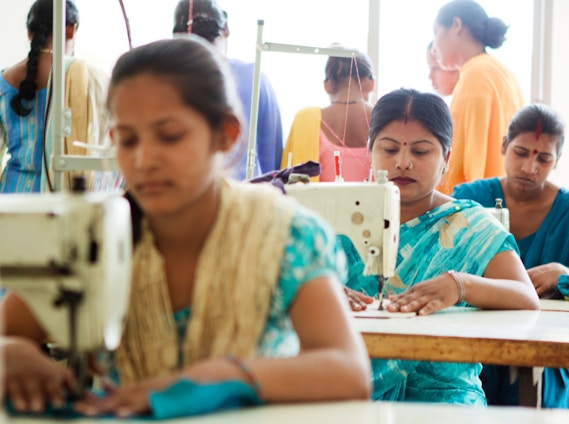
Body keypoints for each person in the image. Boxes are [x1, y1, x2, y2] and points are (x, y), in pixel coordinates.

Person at [1, 36, 371, 417]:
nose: (144, 160)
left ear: (225, 135)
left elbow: (349, 371)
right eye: (127, 140)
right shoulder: (91, 236)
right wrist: (12, 353)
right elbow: (7, 331)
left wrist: (225, 375)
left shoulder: (282, 235)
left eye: (170, 136)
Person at [343, 88, 539, 405]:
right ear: (370, 151)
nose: (403, 163)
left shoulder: (470, 225)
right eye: (389, 149)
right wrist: (319, 294)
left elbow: (526, 297)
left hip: (446, 398)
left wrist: (460, 285)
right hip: (348, 389)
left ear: (446, 158)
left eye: (420, 152)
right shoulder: (340, 219)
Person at [453, 103, 569, 409]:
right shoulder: (468, 199)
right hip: (475, 336)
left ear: (557, 160)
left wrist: (564, 274)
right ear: (504, 146)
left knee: (546, 380)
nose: (530, 167)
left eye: (544, 158)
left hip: (549, 346)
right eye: (521, 152)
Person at [0, 0, 109, 193]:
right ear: (71, 30)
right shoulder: (84, 77)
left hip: (10, 198)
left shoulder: (3, 80)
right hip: (56, 200)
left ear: (29, 33)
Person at [173, 0, 283, 180]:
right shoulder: (255, 77)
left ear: (176, 35)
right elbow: (273, 160)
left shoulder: (166, 82)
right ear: (226, 29)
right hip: (249, 197)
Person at [432, 0, 524, 195]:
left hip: (476, 206)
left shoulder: (475, 76)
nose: (434, 48)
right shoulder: (500, 71)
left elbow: (469, 159)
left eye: (436, 32)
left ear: (456, 26)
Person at [282, 46, 374, 182]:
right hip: (375, 203)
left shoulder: (305, 119)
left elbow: (286, 179)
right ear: (370, 83)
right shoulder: (384, 119)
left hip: (312, 203)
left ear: (327, 85)